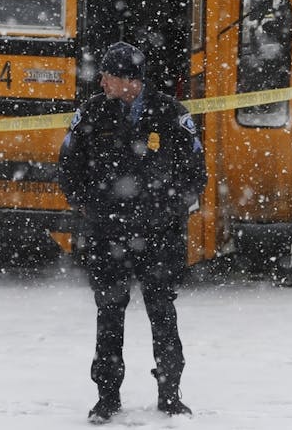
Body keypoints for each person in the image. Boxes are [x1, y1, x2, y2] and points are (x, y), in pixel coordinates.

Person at [57, 41, 207, 423]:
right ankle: (107, 398)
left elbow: (195, 171)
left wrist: (170, 210)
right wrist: (89, 205)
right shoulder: (91, 113)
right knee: (109, 313)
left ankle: (170, 396)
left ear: (129, 80)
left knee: (162, 312)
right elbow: (68, 164)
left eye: (108, 75)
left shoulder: (170, 114)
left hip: (159, 235)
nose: (102, 81)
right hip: (107, 234)